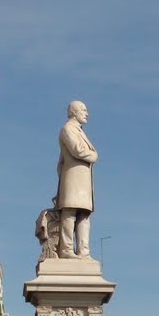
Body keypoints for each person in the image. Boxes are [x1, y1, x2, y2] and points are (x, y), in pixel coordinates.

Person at [56, 100, 97, 258]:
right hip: (73, 177)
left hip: (82, 181)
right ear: (74, 112)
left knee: (84, 215)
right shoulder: (68, 129)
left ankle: (83, 251)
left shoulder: (79, 131)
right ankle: (66, 249)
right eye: (84, 110)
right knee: (70, 212)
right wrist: (94, 155)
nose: (87, 114)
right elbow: (77, 150)